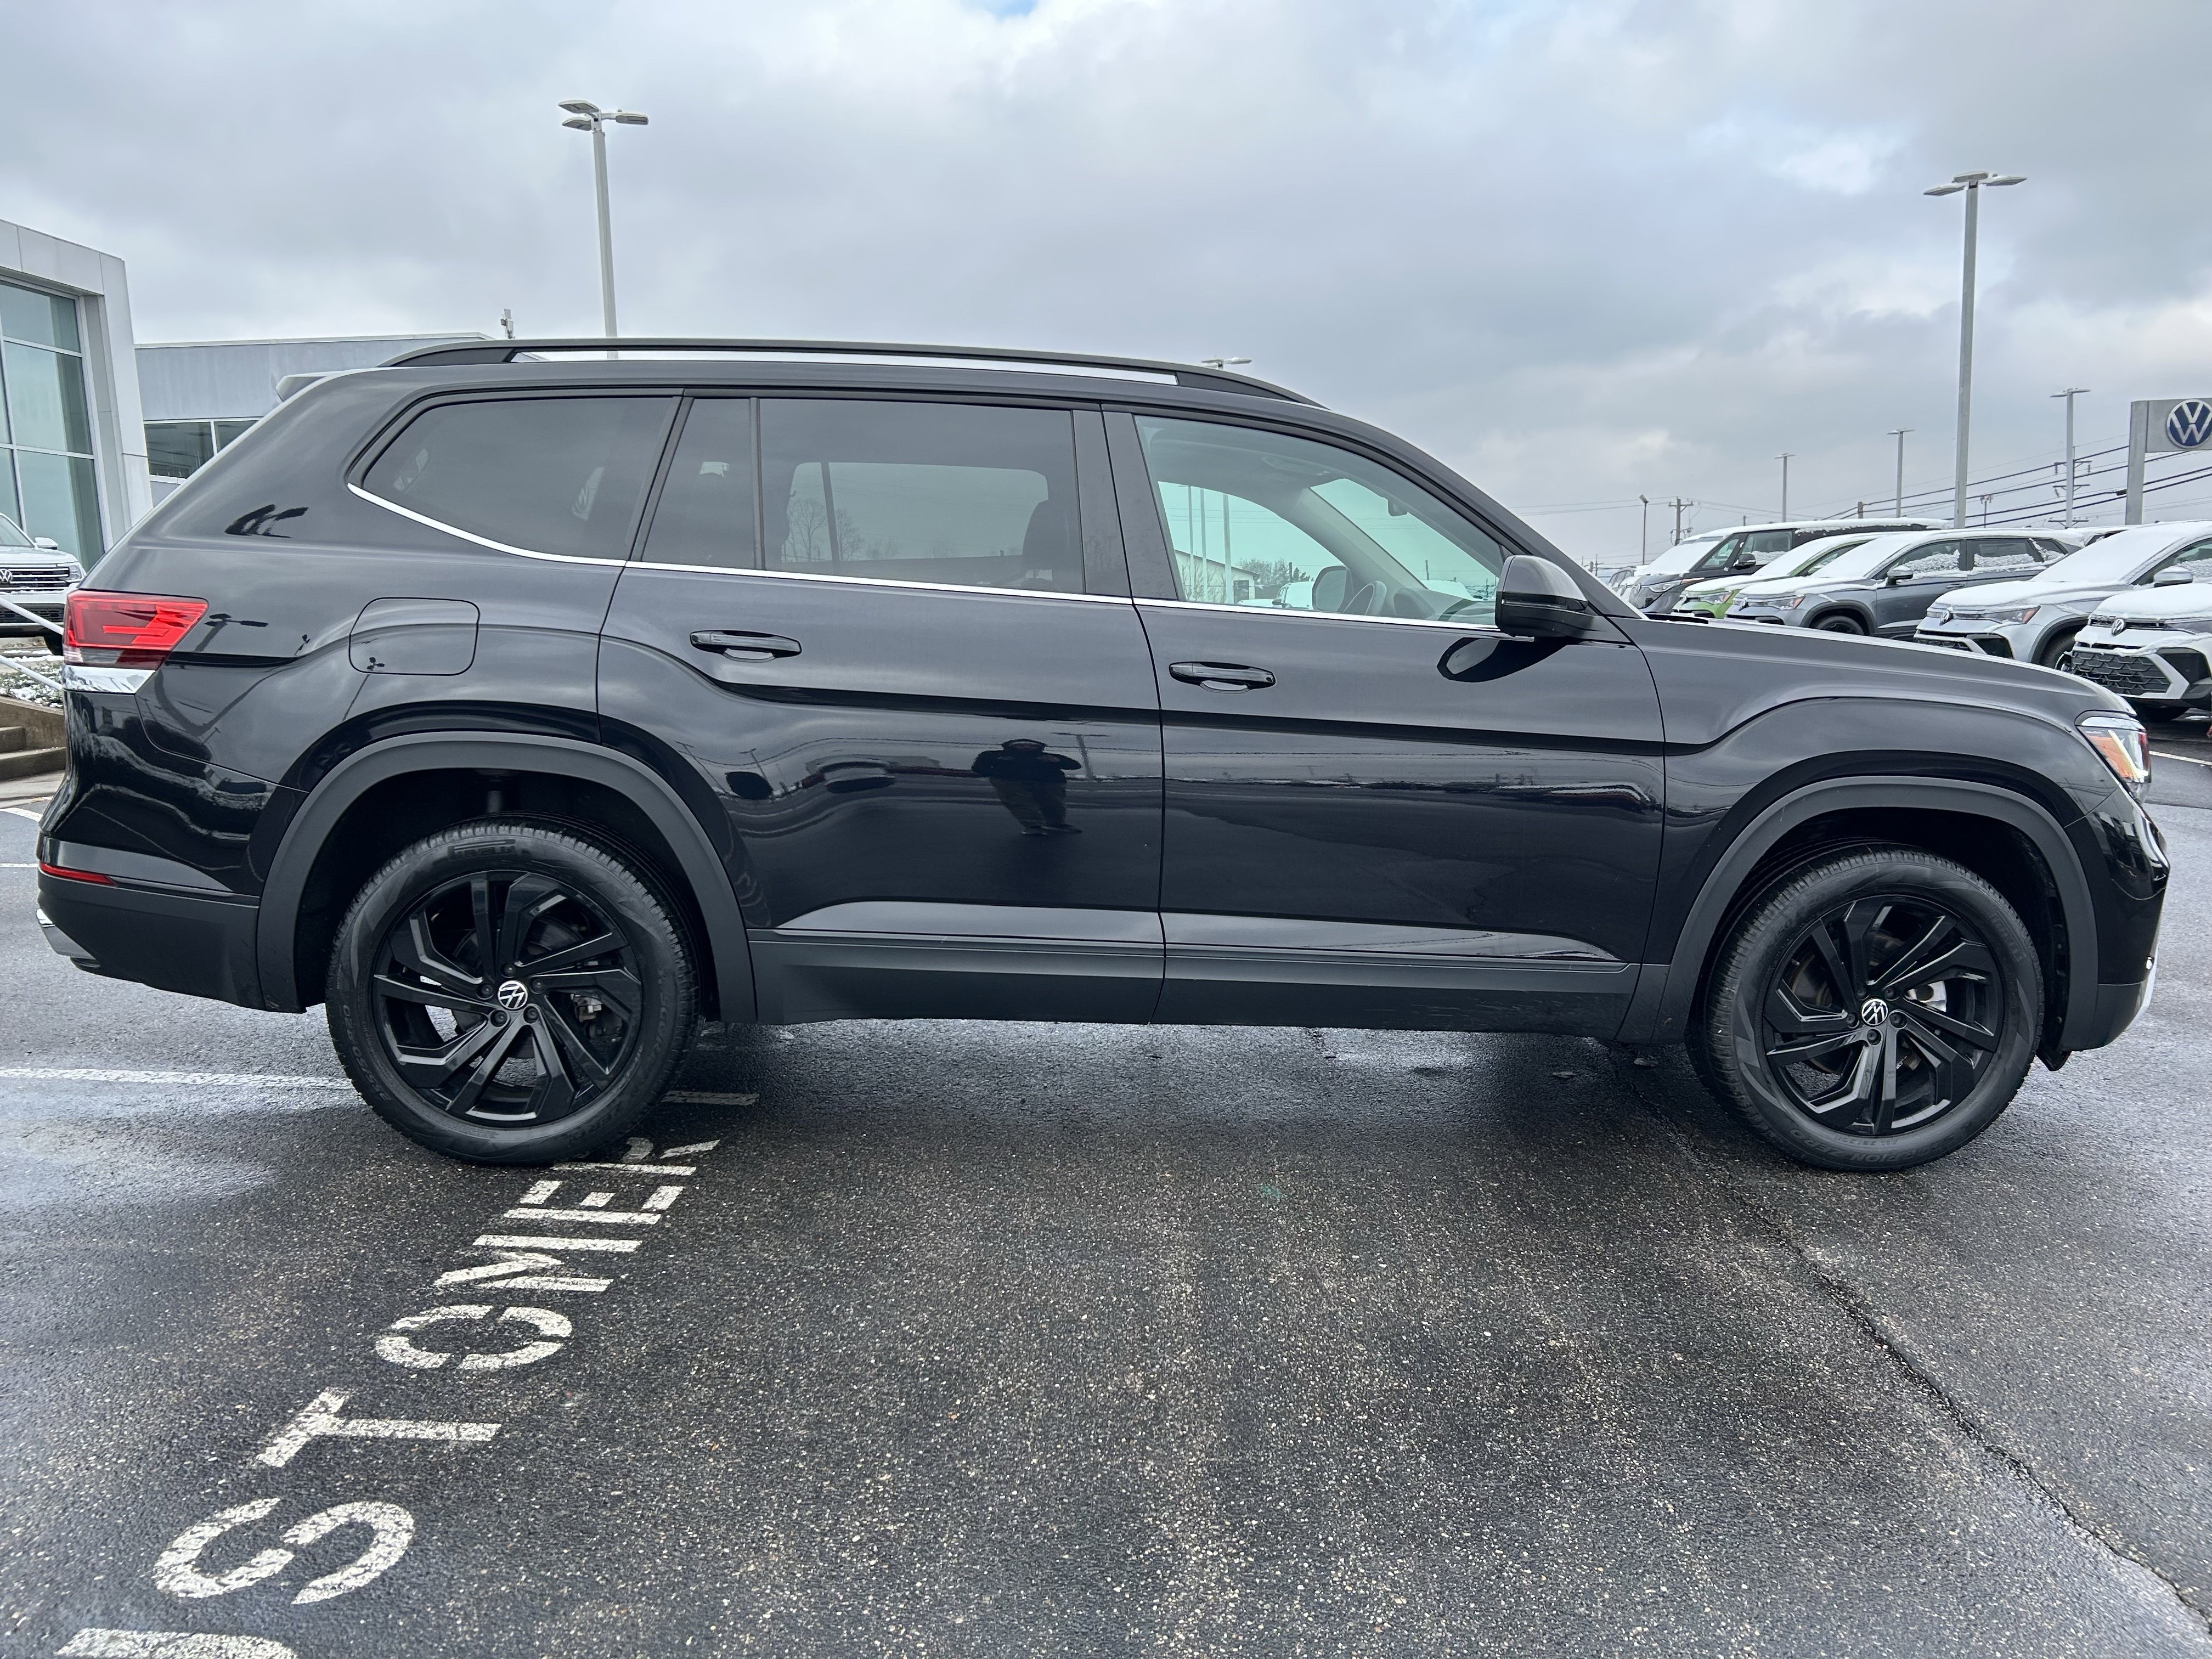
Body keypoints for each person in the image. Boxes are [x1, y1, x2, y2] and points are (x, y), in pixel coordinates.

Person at [971, 738, 1082, 835]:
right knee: (1020, 803)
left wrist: (1059, 761)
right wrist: (997, 774)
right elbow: (979, 767)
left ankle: (1056, 824)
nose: (1026, 747)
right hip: (1010, 782)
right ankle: (1033, 826)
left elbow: (1075, 765)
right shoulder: (995, 756)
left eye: (1031, 746)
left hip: (1050, 783)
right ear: (1010, 746)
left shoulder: (1048, 757)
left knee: (1054, 803)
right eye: (1021, 745)